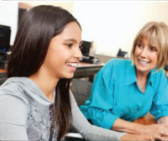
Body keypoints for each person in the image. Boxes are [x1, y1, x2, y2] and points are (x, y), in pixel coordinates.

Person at [0, 5, 153, 141]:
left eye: (79, 45)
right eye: (69, 45)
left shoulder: (60, 90)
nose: (79, 54)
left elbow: (87, 130)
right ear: (40, 45)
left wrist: (131, 138)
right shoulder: (11, 98)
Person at [81, 22, 168, 140]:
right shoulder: (113, 68)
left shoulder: (158, 75)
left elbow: (165, 108)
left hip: (124, 134)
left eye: (152, 49)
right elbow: (98, 114)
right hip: (96, 132)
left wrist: (165, 132)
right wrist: (143, 129)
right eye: (140, 45)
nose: (142, 54)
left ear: (163, 54)